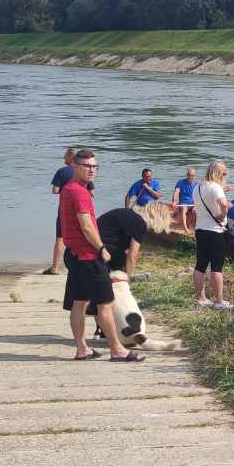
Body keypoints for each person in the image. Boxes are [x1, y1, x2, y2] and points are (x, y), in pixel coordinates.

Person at [58, 150, 138, 361]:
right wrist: (101, 248)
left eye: (95, 166)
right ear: (74, 166)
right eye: (87, 166)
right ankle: (117, 350)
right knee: (105, 303)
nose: (92, 170)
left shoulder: (68, 189)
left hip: (74, 254)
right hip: (87, 256)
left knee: (80, 302)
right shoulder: (80, 193)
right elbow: (86, 226)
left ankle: (82, 348)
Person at [192, 159, 234, 309]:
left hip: (200, 230)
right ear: (219, 173)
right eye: (224, 173)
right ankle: (219, 301)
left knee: (200, 265)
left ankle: (201, 298)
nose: (225, 176)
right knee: (217, 267)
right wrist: (223, 215)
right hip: (215, 231)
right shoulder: (215, 187)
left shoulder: (197, 186)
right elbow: (223, 204)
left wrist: (222, 188)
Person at [45, 147, 77, 275]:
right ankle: (78, 265)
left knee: (60, 238)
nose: (64, 158)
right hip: (80, 208)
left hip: (65, 209)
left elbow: (55, 190)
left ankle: (55, 268)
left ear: (70, 158)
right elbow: (91, 193)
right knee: (80, 236)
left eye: (65, 156)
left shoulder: (62, 172)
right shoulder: (82, 171)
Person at [97, 203, 148, 277]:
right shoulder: (140, 224)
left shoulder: (129, 213)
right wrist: (127, 281)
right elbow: (132, 257)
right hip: (102, 249)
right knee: (124, 264)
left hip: (94, 239)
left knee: (121, 261)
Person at [172, 166, 198, 232]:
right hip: (183, 203)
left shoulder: (197, 184)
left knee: (195, 211)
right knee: (184, 208)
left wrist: (196, 205)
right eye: (189, 175)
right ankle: (185, 228)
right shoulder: (180, 182)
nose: (190, 177)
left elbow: (199, 196)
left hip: (193, 204)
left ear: (195, 176)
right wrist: (174, 201)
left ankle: (188, 224)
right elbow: (176, 192)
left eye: (192, 176)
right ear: (187, 175)